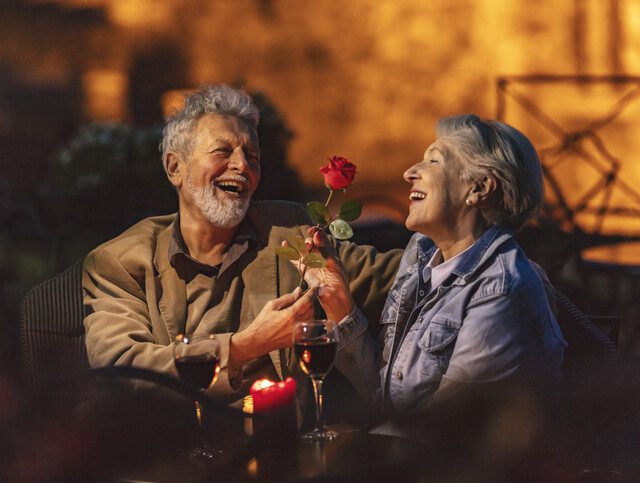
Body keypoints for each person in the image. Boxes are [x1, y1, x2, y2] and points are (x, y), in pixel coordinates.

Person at [82, 84, 400, 404]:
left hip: (281, 444)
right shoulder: (119, 262)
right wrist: (244, 345)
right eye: (223, 151)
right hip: (179, 448)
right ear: (175, 167)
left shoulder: (287, 231)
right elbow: (120, 371)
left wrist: (445, 231)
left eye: (252, 156)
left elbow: (395, 274)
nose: (242, 165)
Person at [303, 114, 567, 414]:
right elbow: (390, 398)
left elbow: (443, 433)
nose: (409, 172)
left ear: (479, 188)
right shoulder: (422, 258)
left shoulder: (500, 291)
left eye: (433, 162)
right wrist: (339, 305)